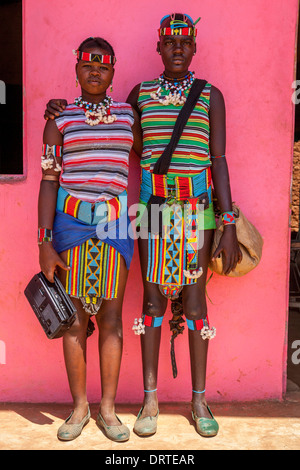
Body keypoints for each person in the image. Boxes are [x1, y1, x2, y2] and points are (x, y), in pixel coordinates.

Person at [44, 13, 241, 439]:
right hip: (150, 211)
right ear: (157, 47)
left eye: (184, 43)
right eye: (169, 42)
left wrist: (228, 222)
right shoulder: (139, 96)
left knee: (194, 305)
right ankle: (149, 400)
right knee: (151, 304)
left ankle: (199, 399)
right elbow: (110, 133)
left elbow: (219, 161)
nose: (176, 49)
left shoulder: (210, 96)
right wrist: (57, 111)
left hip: (198, 212)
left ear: (194, 48)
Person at [39, 36, 142, 442]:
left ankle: (109, 410)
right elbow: (49, 181)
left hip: (116, 228)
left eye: (103, 65)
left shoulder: (129, 116)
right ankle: (80, 408)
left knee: (112, 320)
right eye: (87, 65)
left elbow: (154, 155)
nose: (95, 71)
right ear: (76, 69)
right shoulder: (59, 120)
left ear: (114, 71)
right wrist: (43, 240)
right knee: (75, 321)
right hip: (70, 228)